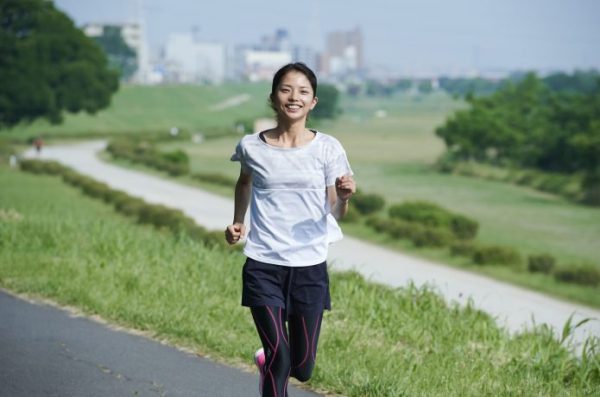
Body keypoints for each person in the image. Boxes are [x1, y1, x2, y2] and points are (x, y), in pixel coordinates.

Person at [225, 63, 355, 397]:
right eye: (286, 89)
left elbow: (336, 212)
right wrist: (238, 221)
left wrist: (342, 197)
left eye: (302, 91)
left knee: (303, 367)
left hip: (309, 265)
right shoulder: (252, 146)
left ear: (313, 102)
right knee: (280, 358)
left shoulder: (328, 148)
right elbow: (244, 182)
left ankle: (265, 358)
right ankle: (271, 360)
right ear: (273, 97)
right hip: (263, 263)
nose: (293, 97)